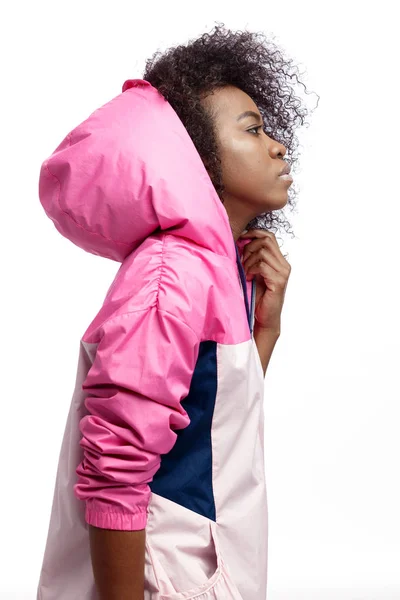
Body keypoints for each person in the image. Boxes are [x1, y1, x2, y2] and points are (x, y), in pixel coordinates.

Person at [36, 23, 315, 600]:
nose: (278, 145)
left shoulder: (219, 268)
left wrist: (268, 328)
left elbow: (212, 424)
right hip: (163, 578)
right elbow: (115, 467)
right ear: (200, 160)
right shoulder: (174, 274)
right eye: (252, 129)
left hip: (200, 568)